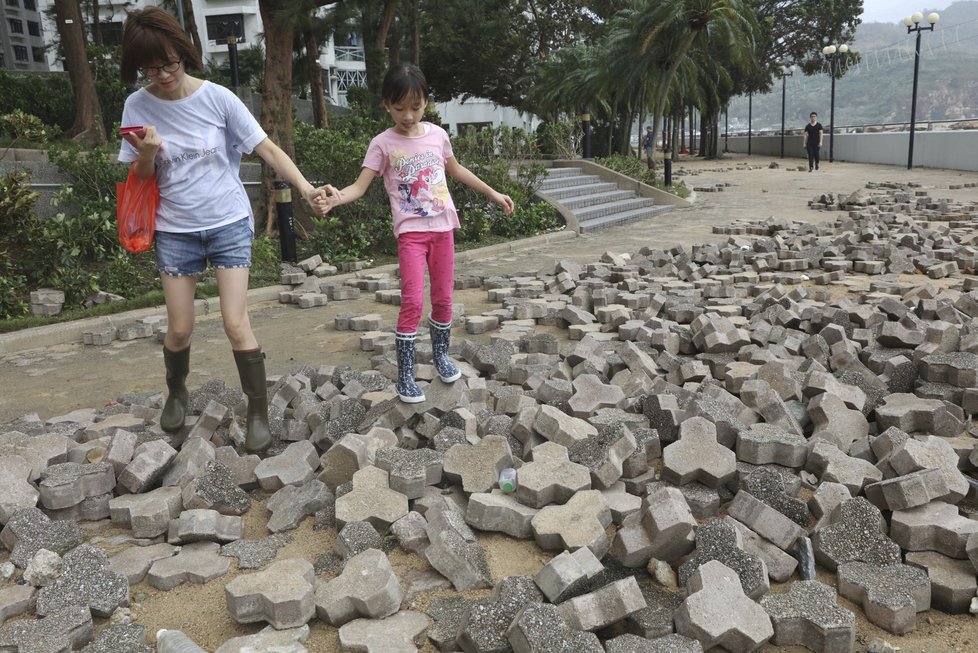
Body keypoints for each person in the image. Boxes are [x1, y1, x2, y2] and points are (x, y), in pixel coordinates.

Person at [118, 7, 329, 452]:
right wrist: (147, 155)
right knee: (179, 330)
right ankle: (177, 391)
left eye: (169, 63)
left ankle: (257, 411)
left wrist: (307, 188)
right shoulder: (137, 106)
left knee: (236, 322)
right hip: (175, 230)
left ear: (183, 53)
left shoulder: (218, 99)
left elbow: (267, 148)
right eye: (150, 68)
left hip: (228, 223)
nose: (161, 75)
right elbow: (137, 180)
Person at [322, 63, 514, 404]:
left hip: (443, 230)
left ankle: (441, 356)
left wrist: (493, 193)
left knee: (443, 300)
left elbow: (456, 170)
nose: (408, 115)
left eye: (416, 106)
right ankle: (406, 375)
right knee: (412, 301)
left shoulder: (438, 136)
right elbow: (359, 185)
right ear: (386, 104)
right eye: (399, 108)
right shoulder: (382, 143)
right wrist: (337, 198)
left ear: (426, 102)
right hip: (411, 234)